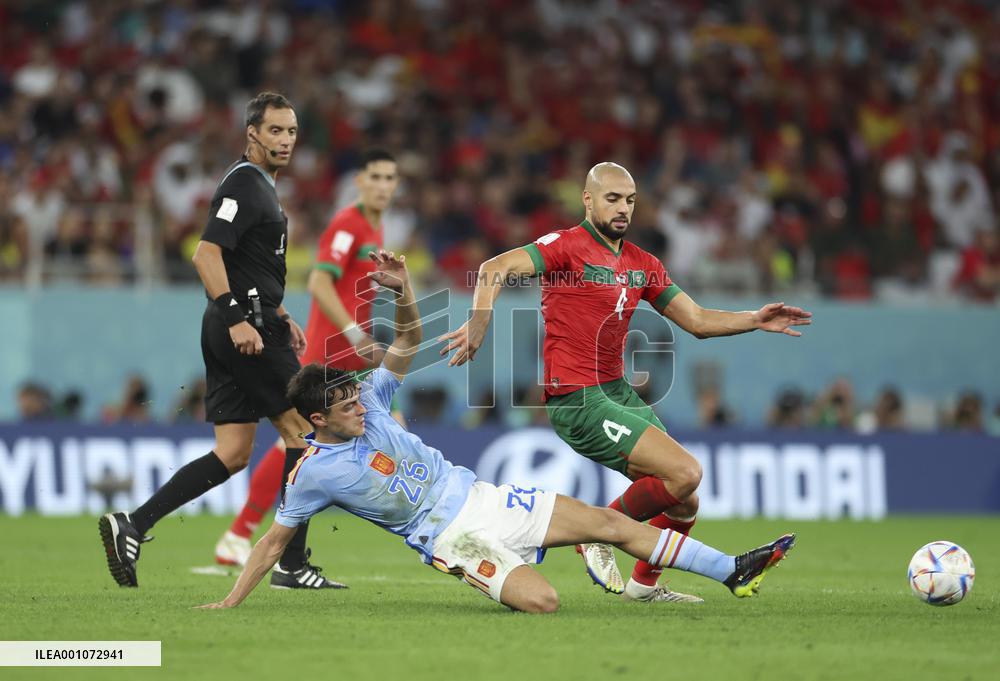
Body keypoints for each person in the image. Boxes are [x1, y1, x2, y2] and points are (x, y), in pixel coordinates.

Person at [196, 250, 795, 613]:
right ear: (317, 420)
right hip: (452, 540)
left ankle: (732, 570)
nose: (357, 400)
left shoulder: (374, 402)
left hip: (487, 498)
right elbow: (274, 544)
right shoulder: (312, 473)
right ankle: (498, 580)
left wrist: (404, 290)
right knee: (544, 602)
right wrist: (229, 601)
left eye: (353, 391)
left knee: (612, 524)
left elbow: (407, 341)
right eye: (343, 400)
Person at [439, 162, 811, 604]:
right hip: (576, 399)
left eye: (630, 200)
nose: (623, 208)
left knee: (683, 500)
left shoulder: (642, 264)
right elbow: (493, 268)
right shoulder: (565, 247)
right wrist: (479, 322)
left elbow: (695, 319)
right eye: (612, 198)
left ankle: (642, 588)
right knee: (686, 470)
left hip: (615, 392)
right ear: (588, 199)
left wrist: (754, 319)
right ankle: (596, 532)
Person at [99, 92, 339, 589]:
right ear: (252, 133)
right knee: (304, 432)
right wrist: (240, 319)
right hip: (242, 329)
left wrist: (275, 310)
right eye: (275, 131)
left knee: (233, 452)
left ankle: (134, 524)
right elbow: (206, 255)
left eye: (292, 131)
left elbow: (243, 262)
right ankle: (292, 565)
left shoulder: (259, 186)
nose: (286, 140)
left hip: (247, 321)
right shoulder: (245, 186)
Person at [214, 149, 401, 569]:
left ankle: (245, 533)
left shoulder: (376, 225)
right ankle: (242, 532)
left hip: (355, 355)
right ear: (360, 182)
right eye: (376, 176)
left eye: (391, 178)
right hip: (329, 351)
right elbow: (318, 281)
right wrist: (354, 331)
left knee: (382, 427)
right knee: (297, 440)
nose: (383, 186)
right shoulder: (348, 223)